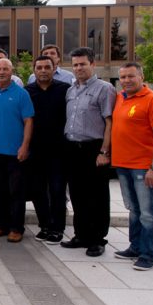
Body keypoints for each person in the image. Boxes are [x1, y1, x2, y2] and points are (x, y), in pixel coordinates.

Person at [111, 62, 153, 271]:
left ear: (141, 77)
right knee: (134, 210)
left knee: (148, 212)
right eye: (123, 77)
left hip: (144, 167)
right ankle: (135, 246)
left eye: (131, 76)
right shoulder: (120, 98)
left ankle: (149, 254)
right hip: (123, 164)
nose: (126, 80)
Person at [61, 47, 115, 257]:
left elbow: (109, 123)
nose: (78, 68)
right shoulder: (71, 90)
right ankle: (81, 235)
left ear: (93, 64)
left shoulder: (104, 89)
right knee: (77, 194)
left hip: (94, 148)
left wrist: (104, 152)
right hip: (73, 148)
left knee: (97, 195)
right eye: (75, 65)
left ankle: (97, 239)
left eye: (82, 64)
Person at [0, 58, 34, 243]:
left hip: (15, 152)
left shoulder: (21, 94)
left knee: (16, 192)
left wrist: (25, 146)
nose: (1, 72)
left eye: (5, 69)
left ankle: (16, 228)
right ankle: (1, 225)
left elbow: (29, 121)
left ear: (11, 72)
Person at [25, 55, 70, 245]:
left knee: (57, 190)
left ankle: (57, 228)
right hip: (35, 150)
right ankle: (44, 225)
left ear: (54, 68)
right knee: (38, 190)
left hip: (58, 150)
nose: (43, 70)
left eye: (47, 67)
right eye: (39, 67)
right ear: (34, 70)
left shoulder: (65, 90)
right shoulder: (27, 91)